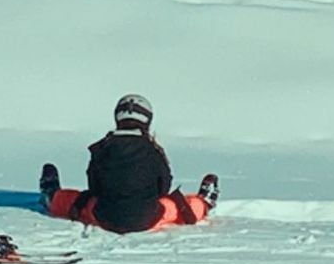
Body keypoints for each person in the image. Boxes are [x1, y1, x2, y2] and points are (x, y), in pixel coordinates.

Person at [40, 95, 216, 234]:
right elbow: (164, 186)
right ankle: (204, 203)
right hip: (148, 217)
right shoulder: (152, 150)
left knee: (76, 201)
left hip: (104, 216)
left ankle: (53, 197)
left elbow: (93, 185)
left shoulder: (103, 147)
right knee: (178, 207)